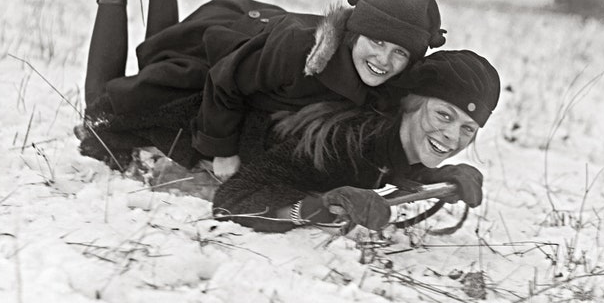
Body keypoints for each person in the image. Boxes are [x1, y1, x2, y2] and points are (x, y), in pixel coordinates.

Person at [43, 0, 447, 178]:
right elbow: (228, 80)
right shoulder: (307, 51)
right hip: (214, 59)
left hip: (240, 34)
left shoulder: (375, 79)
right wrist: (222, 150)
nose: (385, 59)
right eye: (377, 42)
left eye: (399, 53)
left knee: (155, 60)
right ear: (355, 33)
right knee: (103, 114)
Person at [212, 49, 501, 233]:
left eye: (468, 129)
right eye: (444, 115)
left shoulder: (390, 139)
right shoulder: (342, 143)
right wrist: (318, 207)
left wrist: (436, 177)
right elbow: (231, 201)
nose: (453, 137)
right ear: (411, 104)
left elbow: (392, 162)